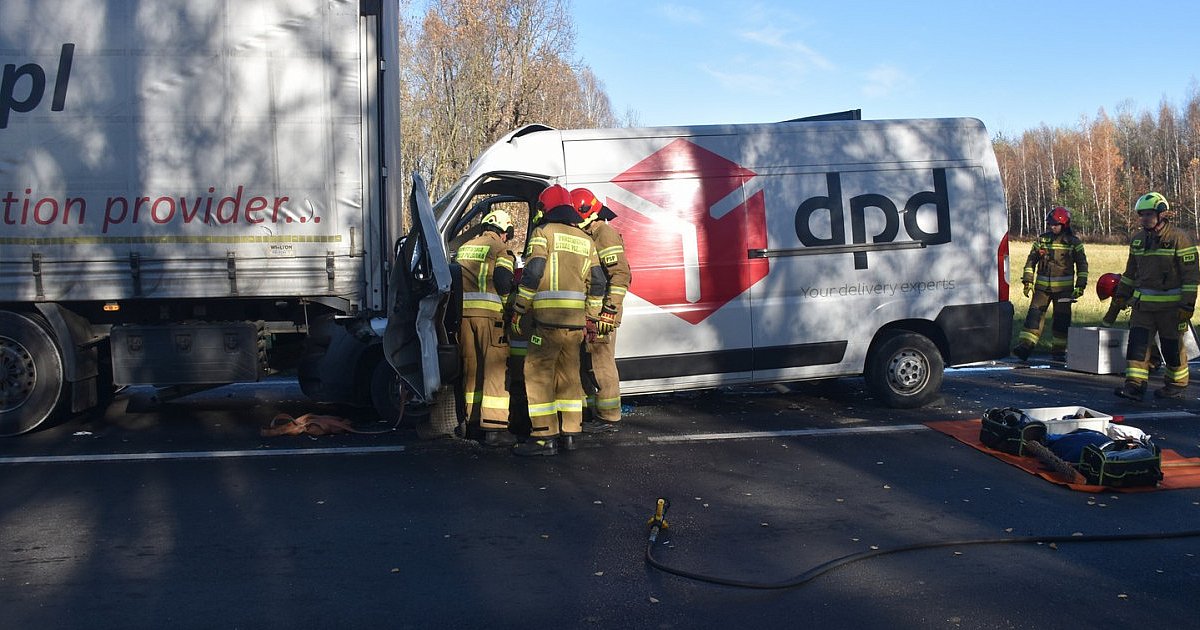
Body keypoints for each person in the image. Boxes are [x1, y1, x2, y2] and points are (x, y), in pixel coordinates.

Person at [509, 184, 606, 456]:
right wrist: (592, 316)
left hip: (546, 324)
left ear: (546, 209)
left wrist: (520, 305)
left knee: (538, 376)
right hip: (575, 326)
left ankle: (544, 438)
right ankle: (571, 434)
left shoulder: (543, 233)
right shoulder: (585, 240)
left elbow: (533, 272)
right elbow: (597, 282)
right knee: (569, 378)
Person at [1104, 192, 1198, 400]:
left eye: (1149, 214)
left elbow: (1191, 277)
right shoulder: (1138, 241)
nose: (1144, 218)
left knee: (1172, 348)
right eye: (1141, 214)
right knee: (1137, 346)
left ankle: (1176, 385)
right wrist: (1120, 297)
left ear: (1162, 214)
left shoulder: (1178, 239)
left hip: (1171, 309)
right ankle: (1134, 386)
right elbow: (1130, 274)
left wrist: (1187, 306)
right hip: (1142, 307)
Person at [455, 209, 518, 446]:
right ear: (504, 232)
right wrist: (510, 307)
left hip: (464, 318)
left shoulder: (465, 247)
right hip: (490, 318)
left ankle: (473, 422)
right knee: (494, 368)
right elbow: (503, 281)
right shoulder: (500, 250)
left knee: (472, 369)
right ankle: (495, 428)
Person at [572, 187, 631, 433]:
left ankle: (609, 416)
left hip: (602, 314)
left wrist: (609, 310)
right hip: (591, 313)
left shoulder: (603, 233)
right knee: (587, 364)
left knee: (601, 364)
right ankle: (594, 413)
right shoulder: (590, 233)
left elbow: (620, 274)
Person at [1013, 206, 1088, 362]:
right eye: (1051, 224)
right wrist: (1028, 280)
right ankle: (1025, 347)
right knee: (1033, 317)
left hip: (1064, 290)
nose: (1052, 227)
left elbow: (1082, 266)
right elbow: (1031, 261)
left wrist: (1080, 286)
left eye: (1056, 224)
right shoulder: (1042, 240)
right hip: (1042, 288)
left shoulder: (1074, 243)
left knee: (1061, 320)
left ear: (1064, 225)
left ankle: (1058, 352)